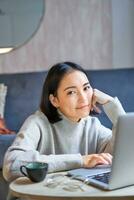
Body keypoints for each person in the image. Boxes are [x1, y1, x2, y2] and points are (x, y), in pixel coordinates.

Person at [3, 62, 125, 182]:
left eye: (86, 88)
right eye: (71, 92)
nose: (83, 98)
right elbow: (11, 165)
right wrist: (81, 161)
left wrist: (115, 109)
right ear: (54, 100)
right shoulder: (37, 123)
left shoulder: (92, 125)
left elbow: (122, 156)